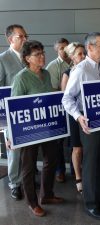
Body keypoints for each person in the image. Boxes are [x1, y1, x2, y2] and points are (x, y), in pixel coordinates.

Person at [62, 32, 100, 221]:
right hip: (90, 126)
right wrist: (78, 117)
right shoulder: (80, 70)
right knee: (91, 165)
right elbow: (67, 99)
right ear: (90, 48)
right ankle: (91, 204)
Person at [7, 40, 64, 217]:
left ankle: (47, 195)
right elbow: (13, 109)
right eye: (37, 54)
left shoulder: (46, 74)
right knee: (29, 167)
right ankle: (33, 203)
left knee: (51, 160)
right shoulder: (21, 78)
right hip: (28, 131)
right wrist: (10, 136)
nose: (42, 57)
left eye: (42, 53)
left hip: (47, 128)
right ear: (27, 58)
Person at [0, 24, 28, 200]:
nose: (25, 39)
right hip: (11, 113)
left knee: (28, 149)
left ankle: (26, 178)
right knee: (15, 150)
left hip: (29, 111)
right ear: (10, 39)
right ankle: (15, 183)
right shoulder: (2, 59)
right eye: (21, 37)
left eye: (26, 36)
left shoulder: (28, 57)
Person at [61, 42, 86, 193]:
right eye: (79, 54)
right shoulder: (68, 73)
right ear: (72, 57)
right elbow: (66, 98)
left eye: (84, 53)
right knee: (77, 148)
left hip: (88, 114)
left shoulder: (89, 70)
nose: (83, 56)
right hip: (75, 116)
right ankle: (78, 178)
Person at [46, 38, 71, 183]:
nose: (64, 50)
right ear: (56, 50)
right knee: (59, 142)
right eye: (61, 48)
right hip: (59, 108)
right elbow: (54, 89)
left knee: (75, 141)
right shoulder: (52, 66)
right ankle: (60, 170)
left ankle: (75, 170)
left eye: (66, 47)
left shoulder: (74, 62)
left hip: (74, 107)